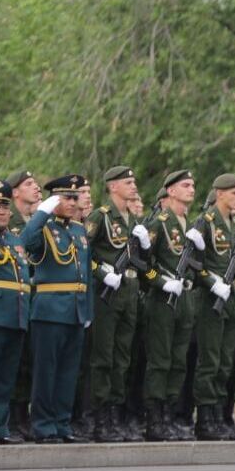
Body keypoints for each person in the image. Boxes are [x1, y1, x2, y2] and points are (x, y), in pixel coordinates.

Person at [24, 175, 93, 443]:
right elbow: (27, 243)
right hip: (49, 311)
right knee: (46, 371)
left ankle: (62, 424)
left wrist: (87, 312)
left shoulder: (77, 231)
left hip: (75, 310)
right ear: (54, 199)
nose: (73, 203)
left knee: (68, 372)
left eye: (76, 198)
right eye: (67, 197)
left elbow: (85, 273)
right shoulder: (43, 228)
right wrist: (41, 213)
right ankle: (43, 425)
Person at [138, 170, 201, 441]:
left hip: (185, 299)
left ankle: (170, 414)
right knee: (160, 360)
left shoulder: (190, 225)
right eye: (185, 185)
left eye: (193, 185)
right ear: (171, 191)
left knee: (179, 361)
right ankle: (155, 419)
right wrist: (160, 281)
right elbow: (143, 264)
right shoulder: (159, 224)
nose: (191, 189)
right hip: (163, 300)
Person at [84, 166, 144, 442]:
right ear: (112, 187)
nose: (133, 187)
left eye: (133, 182)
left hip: (129, 292)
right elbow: (84, 253)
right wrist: (101, 273)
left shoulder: (132, 219)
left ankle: (115, 413)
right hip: (107, 294)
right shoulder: (101, 217)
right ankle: (99, 417)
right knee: (103, 357)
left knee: (122, 357)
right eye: (127, 182)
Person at [192, 174, 235, 440]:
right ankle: (205, 420)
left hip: (234, 299)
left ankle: (220, 416)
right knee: (210, 361)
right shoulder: (206, 222)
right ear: (220, 194)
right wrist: (211, 282)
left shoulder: (234, 225)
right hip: (212, 300)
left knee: (226, 362)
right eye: (234, 193)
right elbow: (193, 263)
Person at [0, 179, 31, 444]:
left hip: (15, 317)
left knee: (6, 378)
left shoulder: (14, 241)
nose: (2, 211)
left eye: (5, 206)